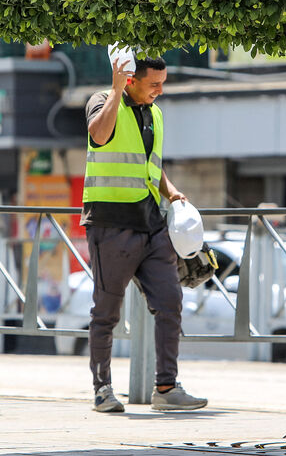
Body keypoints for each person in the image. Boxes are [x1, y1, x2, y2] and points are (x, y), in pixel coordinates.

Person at [81, 54, 207, 412]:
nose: (160, 91)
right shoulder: (102, 101)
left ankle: (166, 388)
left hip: (152, 224)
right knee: (106, 311)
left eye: (163, 83)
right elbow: (100, 136)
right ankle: (102, 390)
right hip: (111, 224)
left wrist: (172, 192)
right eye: (154, 84)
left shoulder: (155, 114)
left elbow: (149, 163)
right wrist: (117, 91)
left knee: (170, 302)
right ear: (132, 79)